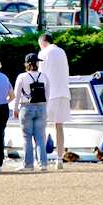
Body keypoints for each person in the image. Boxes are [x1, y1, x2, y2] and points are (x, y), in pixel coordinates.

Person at [12, 53, 51, 171]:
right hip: (41, 107)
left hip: (26, 107)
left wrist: (15, 108)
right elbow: (47, 95)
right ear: (37, 63)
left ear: (26, 64)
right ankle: (43, 163)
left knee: (27, 137)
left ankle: (28, 165)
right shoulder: (44, 76)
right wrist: (45, 108)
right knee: (39, 136)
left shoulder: (22, 77)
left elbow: (17, 95)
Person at [37, 32, 70, 169]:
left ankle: (42, 160)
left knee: (42, 126)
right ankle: (59, 159)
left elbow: (39, 75)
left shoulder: (43, 54)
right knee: (59, 126)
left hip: (49, 94)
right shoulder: (61, 52)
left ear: (43, 43)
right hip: (64, 92)